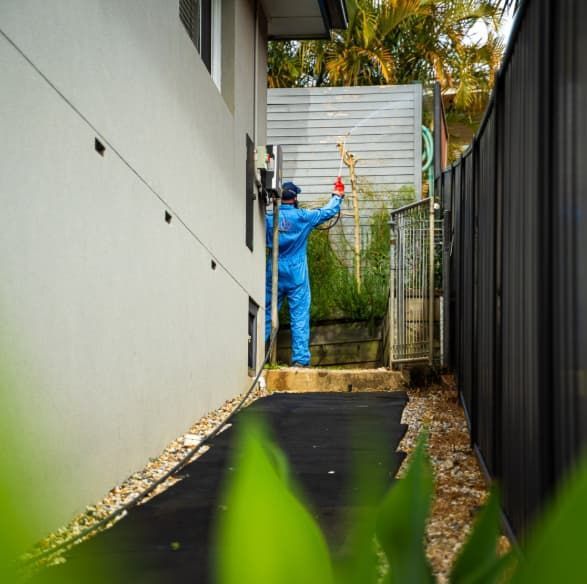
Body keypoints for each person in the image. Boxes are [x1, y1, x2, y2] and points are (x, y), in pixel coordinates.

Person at [265, 178, 345, 367]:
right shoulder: (303, 217)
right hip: (296, 272)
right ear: (294, 199)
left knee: (267, 313)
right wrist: (337, 196)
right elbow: (327, 212)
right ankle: (300, 361)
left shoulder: (268, 218)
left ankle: (255, 356)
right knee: (299, 315)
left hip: (273, 269)